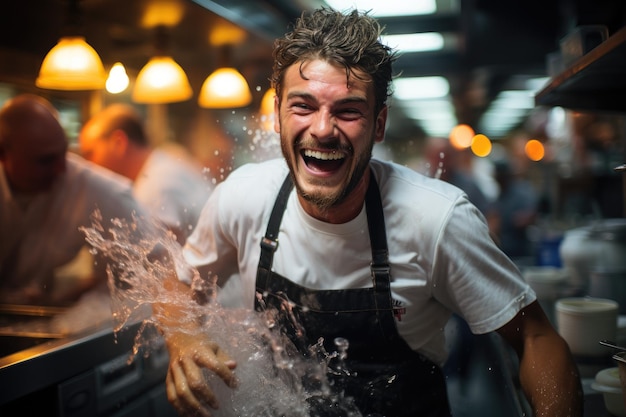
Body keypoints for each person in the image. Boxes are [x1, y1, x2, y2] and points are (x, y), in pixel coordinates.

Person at [156, 8, 583, 417]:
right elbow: (176, 285)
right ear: (278, 116)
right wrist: (182, 335)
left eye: (347, 111)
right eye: (303, 106)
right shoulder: (244, 198)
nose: (323, 129)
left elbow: (537, 339)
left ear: (378, 125)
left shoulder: (437, 220)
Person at [0, 94, 148, 306]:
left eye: (64, 154)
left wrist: (60, 303)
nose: (61, 169)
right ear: (3, 153)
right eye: (46, 160)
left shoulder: (91, 185)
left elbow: (153, 264)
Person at [79, 103, 213, 245]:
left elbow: (161, 260)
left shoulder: (154, 186)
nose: (87, 164)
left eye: (90, 153)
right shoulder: (162, 163)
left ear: (119, 143)